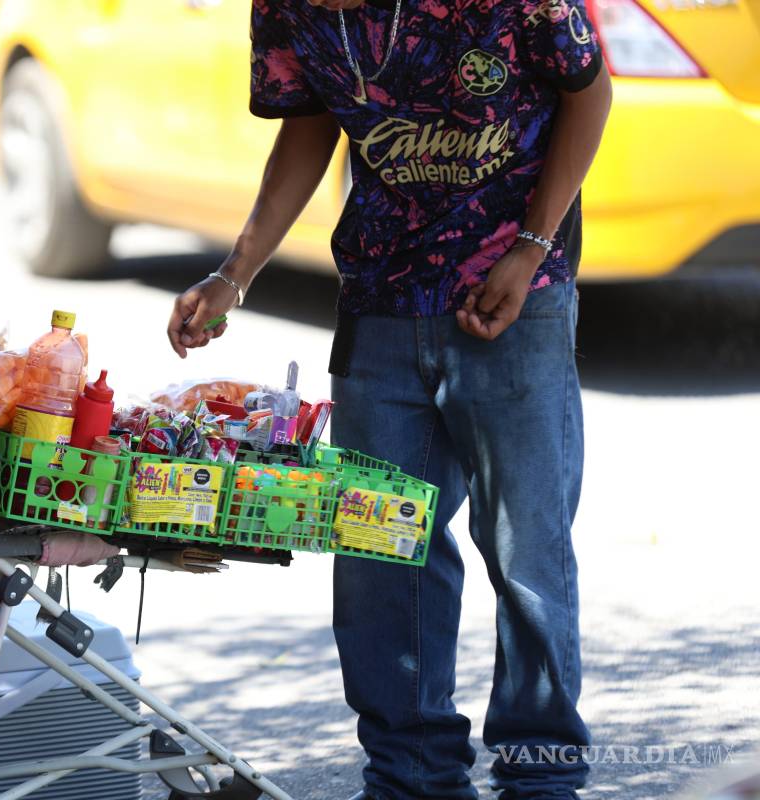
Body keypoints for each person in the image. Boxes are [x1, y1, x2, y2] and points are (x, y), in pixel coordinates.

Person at [167, 0, 612, 797]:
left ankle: (540, 774)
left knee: (528, 547)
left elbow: (590, 91)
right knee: (381, 548)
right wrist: (236, 272)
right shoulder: (289, 9)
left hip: (514, 296)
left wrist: (530, 246)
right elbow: (309, 121)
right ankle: (412, 775)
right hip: (378, 299)